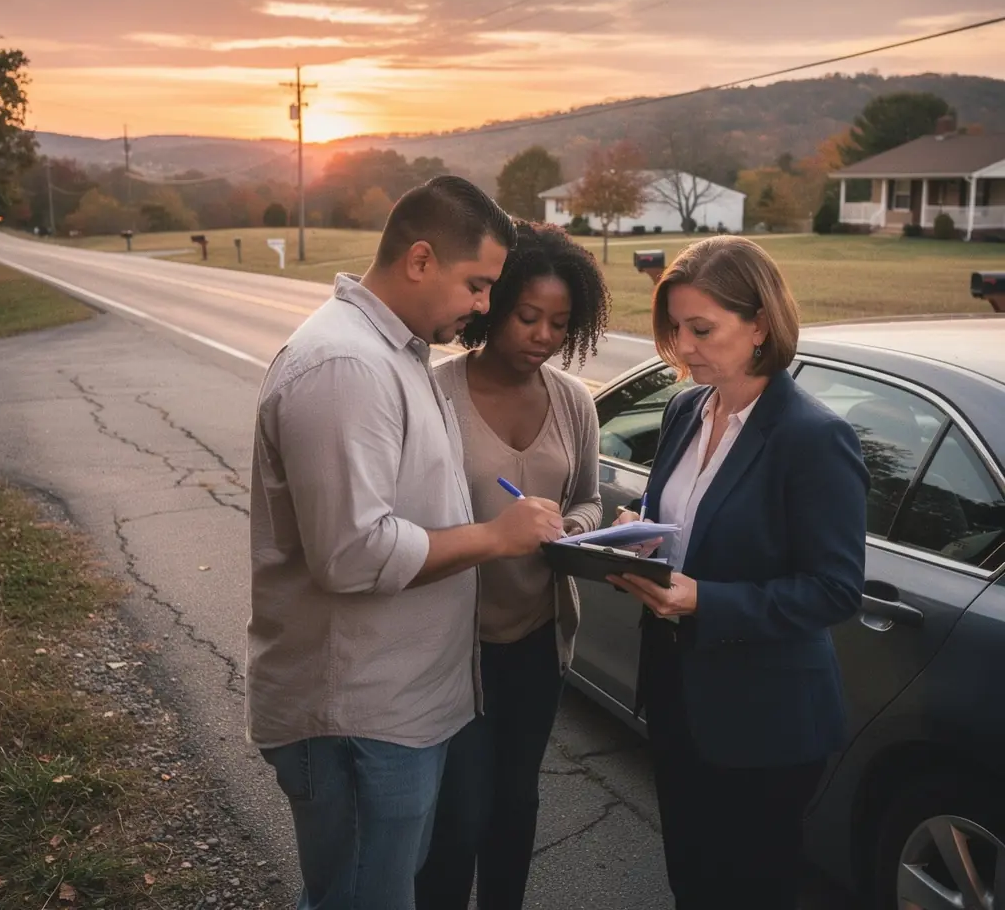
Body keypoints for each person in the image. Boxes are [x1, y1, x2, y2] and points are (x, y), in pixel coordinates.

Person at [246, 178, 565, 910]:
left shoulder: (396, 352)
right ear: (420, 261)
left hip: (394, 715)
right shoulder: (345, 366)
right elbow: (352, 554)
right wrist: (493, 537)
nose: (485, 304)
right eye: (478, 284)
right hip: (356, 718)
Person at [607, 235, 868, 910]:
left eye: (701, 329)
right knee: (691, 879)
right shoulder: (685, 408)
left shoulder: (813, 437)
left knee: (750, 889)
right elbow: (688, 521)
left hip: (766, 720)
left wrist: (706, 601)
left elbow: (835, 588)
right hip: (675, 693)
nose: (683, 347)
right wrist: (639, 540)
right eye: (674, 328)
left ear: (759, 325)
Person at [415, 222, 610, 910]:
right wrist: (495, 532)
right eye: (528, 316)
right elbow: (408, 525)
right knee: (457, 815)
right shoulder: (431, 394)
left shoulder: (575, 402)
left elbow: (586, 496)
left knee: (514, 803)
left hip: (536, 640)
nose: (542, 335)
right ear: (493, 307)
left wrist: (572, 527)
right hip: (451, 644)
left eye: (559, 323)